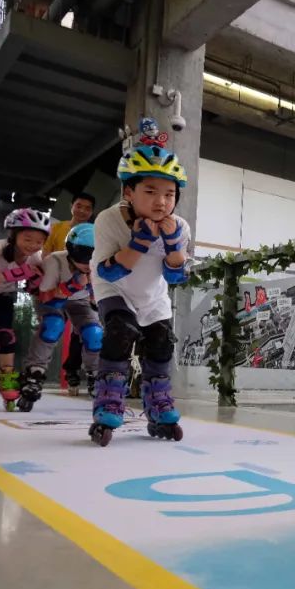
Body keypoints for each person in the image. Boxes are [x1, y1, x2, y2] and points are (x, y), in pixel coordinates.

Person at [89, 125, 190, 446]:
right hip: (114, 289)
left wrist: (173, 245)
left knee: (161, 343)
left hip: (153, 294)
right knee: (120, 331)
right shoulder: (109, 219)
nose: (161, 202)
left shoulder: (180, 226)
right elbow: (109, 273)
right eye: (150, 191)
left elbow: (176, 277)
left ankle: (158, 403)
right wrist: (140, 241)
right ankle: (108, 400)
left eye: (169, 194)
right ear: (128, 192)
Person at [0, 209, 49, 410]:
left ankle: (7, 379)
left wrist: (34, 283)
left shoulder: (34, 257)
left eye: (39, 242)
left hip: (2, 294)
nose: (33, 245)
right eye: (27, 239)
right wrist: (21, 273)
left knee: (4, 336)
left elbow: (38, 284)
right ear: (13, 236)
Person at [17, 223, 102, 411]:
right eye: (83, 256)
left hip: (79, 301)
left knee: (94, 333)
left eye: (93, 256)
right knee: (53, 325)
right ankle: (34, 372)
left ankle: (96, 375)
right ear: (71, 251)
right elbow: (47, 297)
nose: (88, 262)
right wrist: (73, 285)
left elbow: (96, 303)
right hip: (52, 298)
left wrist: (93, 292)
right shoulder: (55, 260)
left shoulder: (98, 266)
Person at [44, 192, 96, 393]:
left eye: (87, 208)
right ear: (71, 206)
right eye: (79, 205)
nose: (82, 210)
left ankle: (78, 372)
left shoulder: (95, 232)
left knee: (88, 332)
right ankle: (36, 372)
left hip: (82, 290)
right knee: (52, 327)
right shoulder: (57, 229)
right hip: (57, 288)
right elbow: (45, 255)